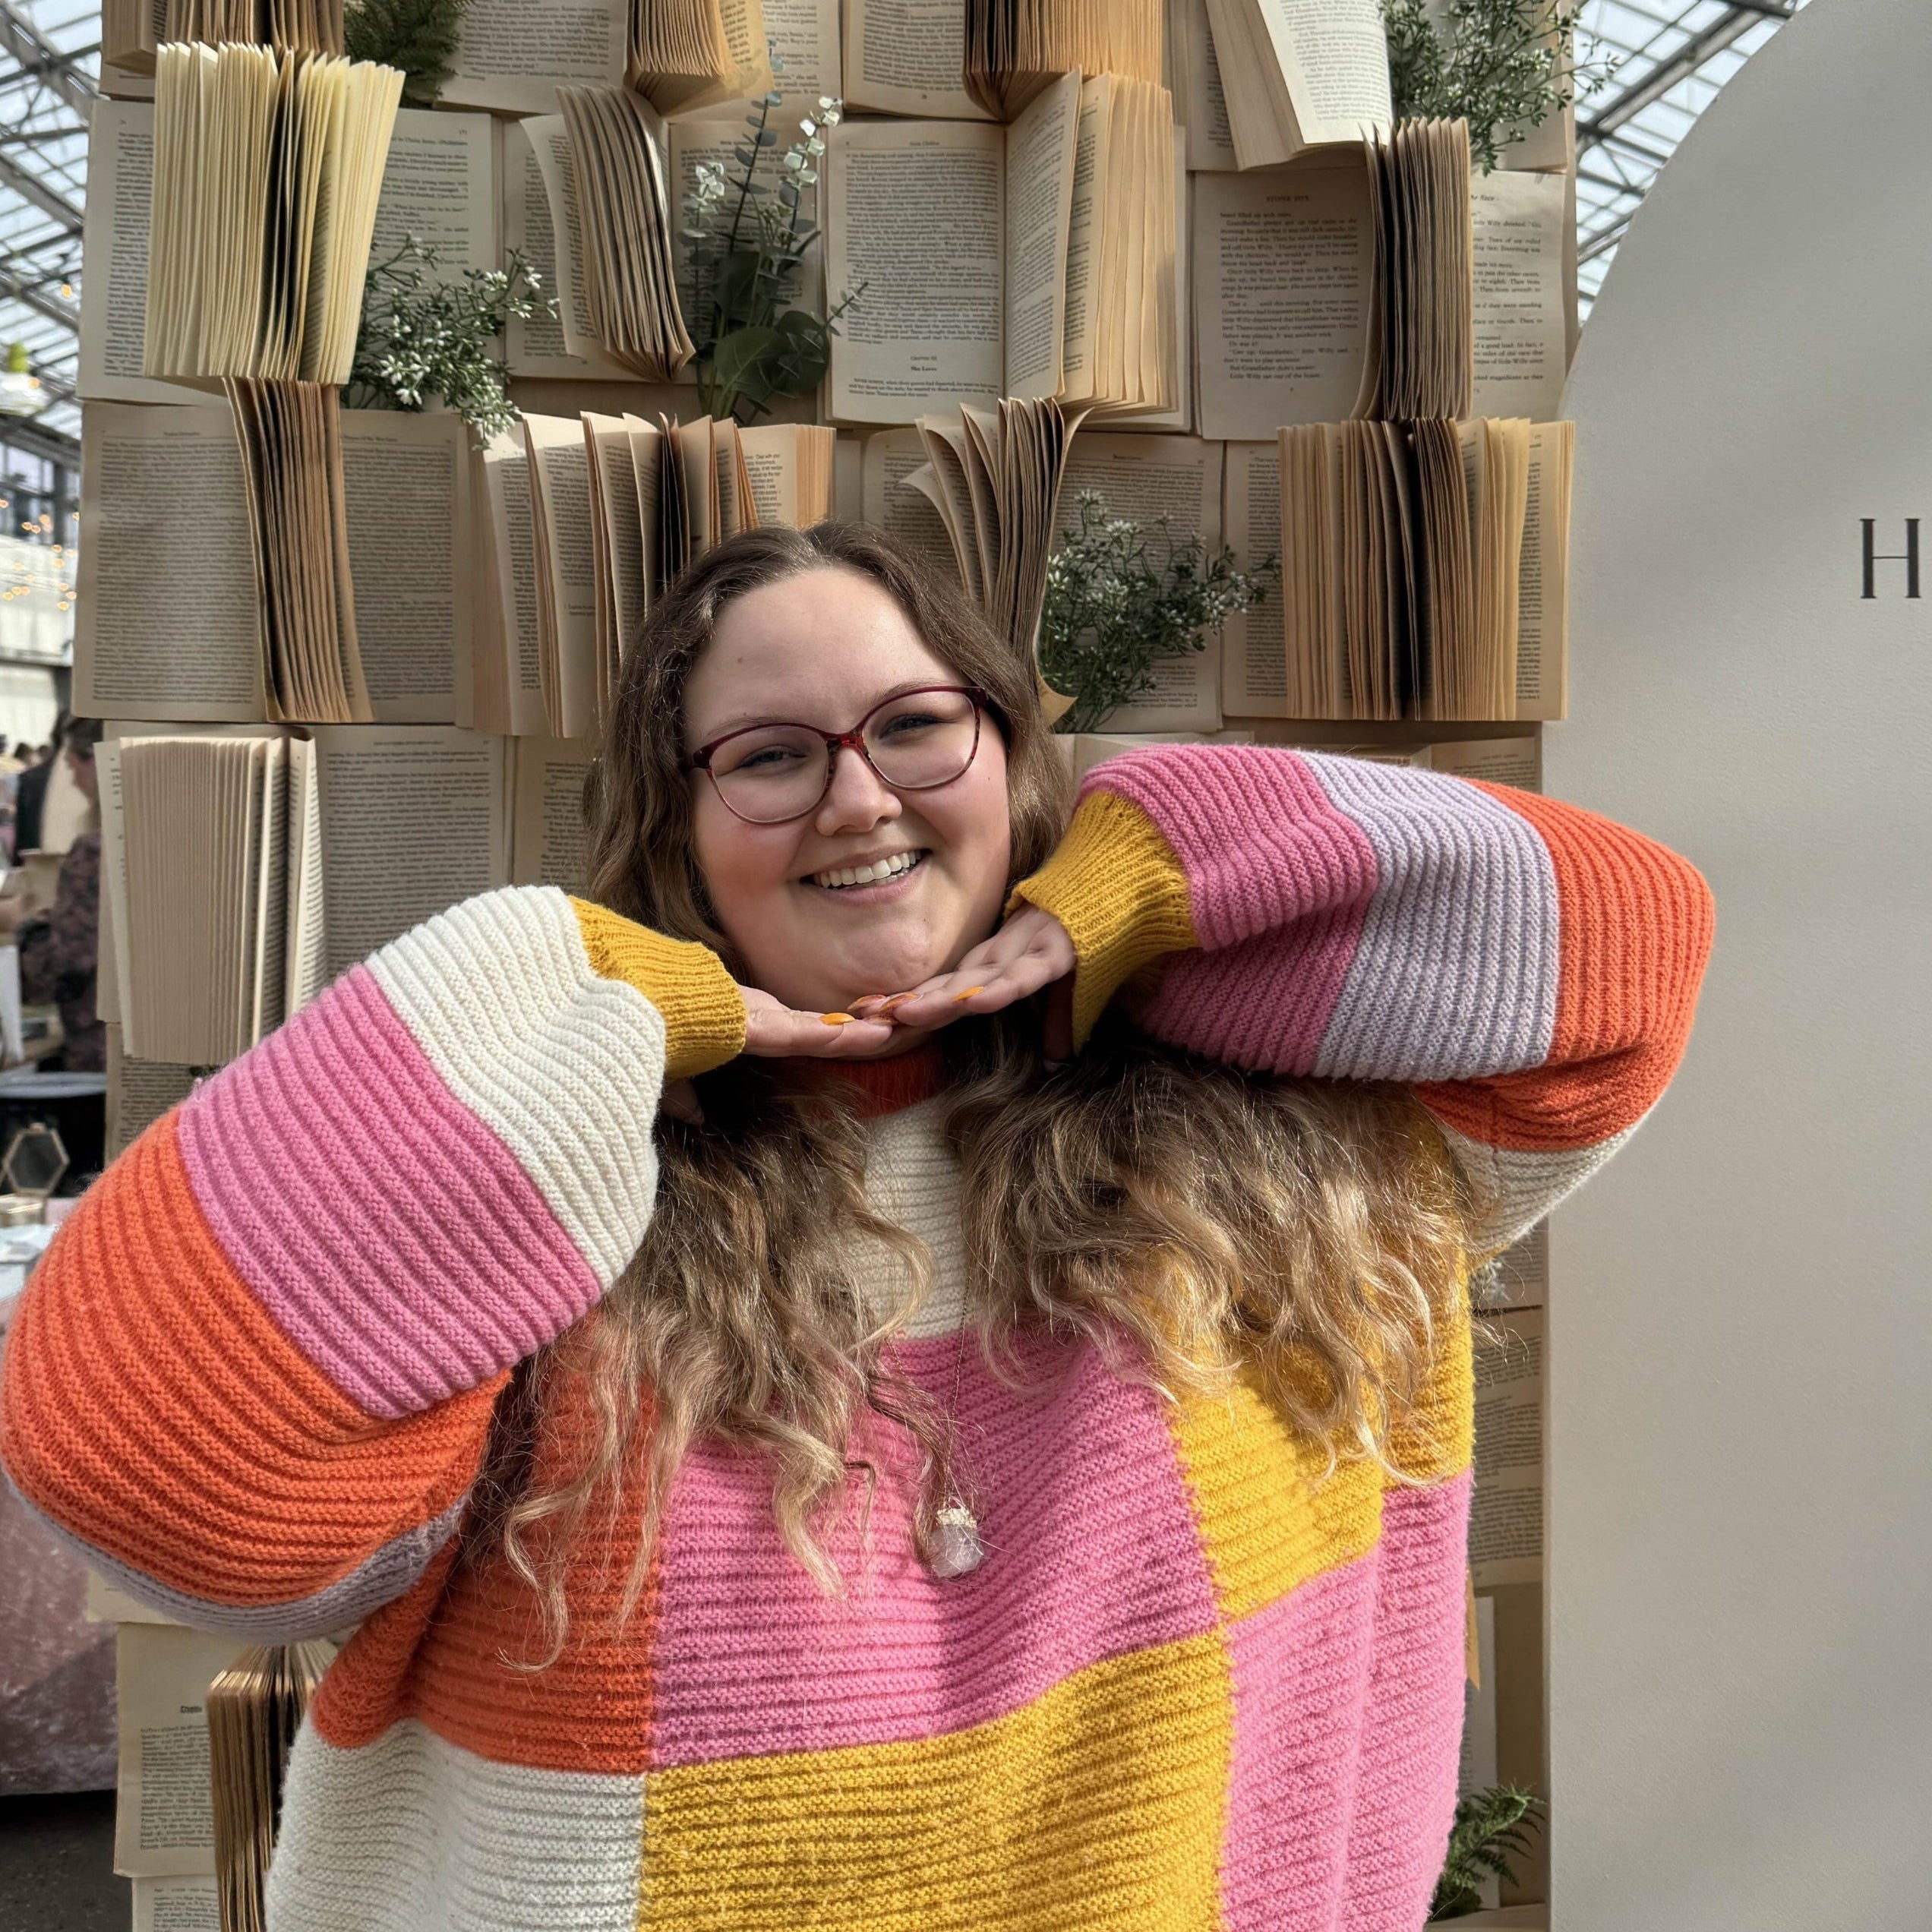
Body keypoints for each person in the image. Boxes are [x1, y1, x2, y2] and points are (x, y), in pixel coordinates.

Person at [0, 527, 1713, 1930]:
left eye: (916, 724)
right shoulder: (549, 1206)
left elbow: (1629, 947)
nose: (856, 797)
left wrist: (1132, 892)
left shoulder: (1278, 1155)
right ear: (673, 836)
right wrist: (607, 980)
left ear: (1008, 749)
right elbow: (138, 1474)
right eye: (766, 757)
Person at [0, 717, 104, 1071]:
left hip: (94, 1042)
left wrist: (27, 929)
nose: (71, 777)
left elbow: (71, 959)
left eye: (73, 763)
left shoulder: (92, 852)